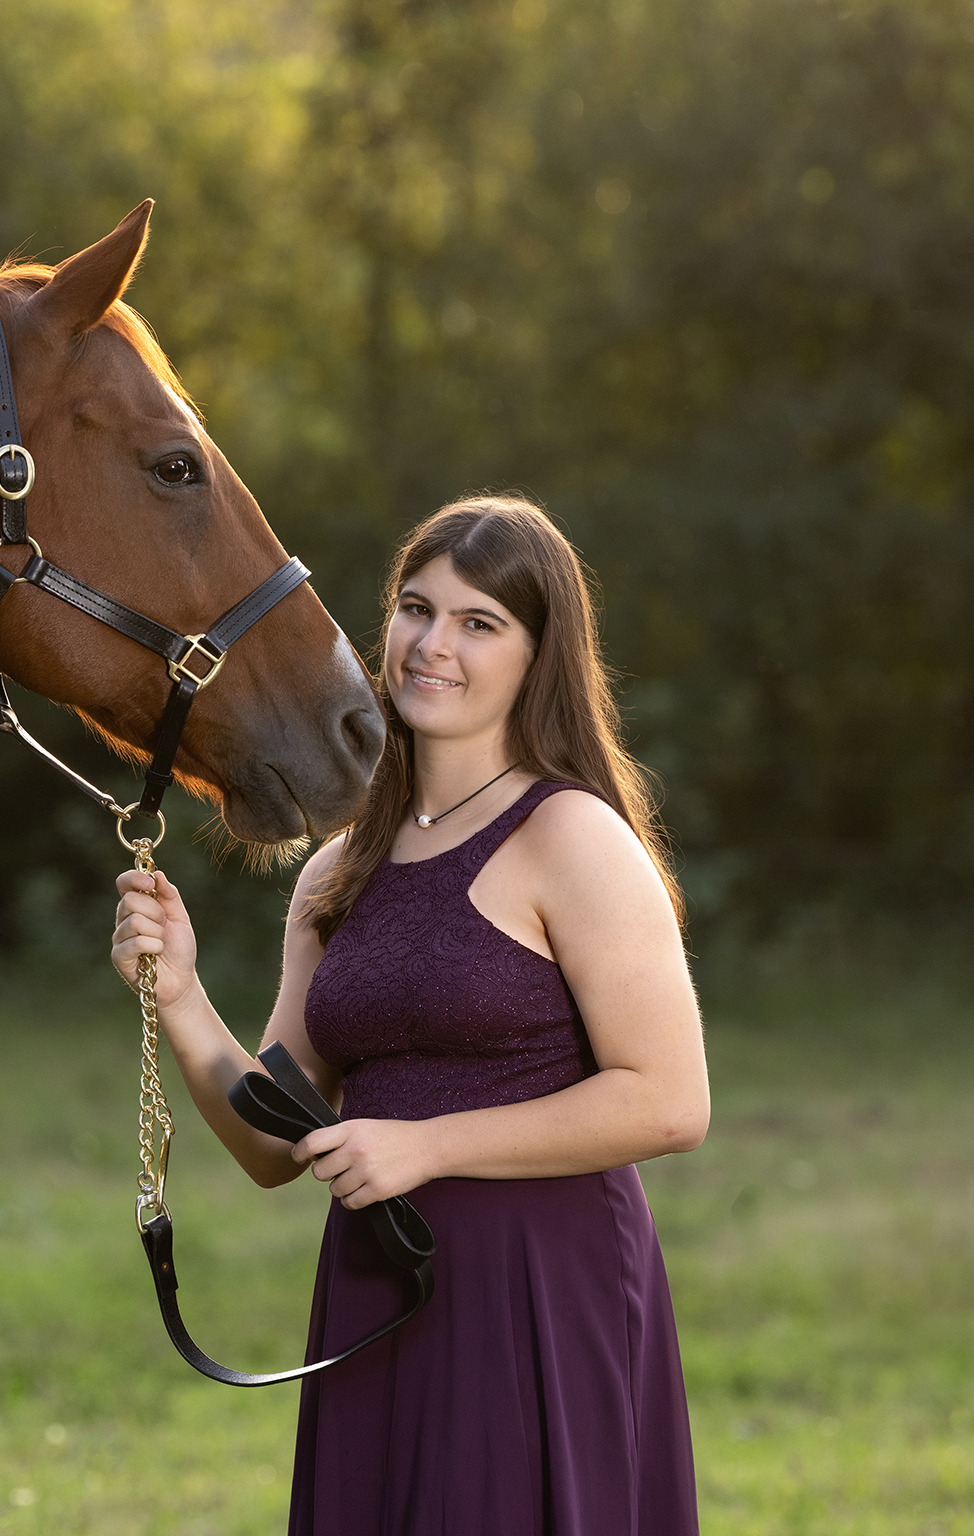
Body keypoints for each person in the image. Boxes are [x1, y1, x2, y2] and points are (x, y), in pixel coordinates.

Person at [111, 496, 708, 1535]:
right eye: (415, 609)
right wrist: (180, 995)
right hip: (380, 1290)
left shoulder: (571, 837)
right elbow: (272, 1138)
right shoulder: (336, 871)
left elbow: (667, 1103)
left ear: (537, 655)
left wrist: (423, 1147)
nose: (433, 645)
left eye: (479, 623)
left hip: (539, 1295)